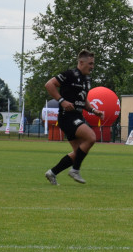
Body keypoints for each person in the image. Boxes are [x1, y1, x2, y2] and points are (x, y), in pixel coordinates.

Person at [43, 50, 104, 186]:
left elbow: (83, 99)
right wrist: (62, 101)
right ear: (81, 62)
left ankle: (52, 172)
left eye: (93, 64)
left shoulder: (87, 79)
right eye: (90, 63)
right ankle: (75, 170)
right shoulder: (69, 74)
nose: (92, 66)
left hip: (77, 116)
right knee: (91, 137)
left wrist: (94, 110)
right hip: (67, 117)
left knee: (77, 153)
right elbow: (49, 85)